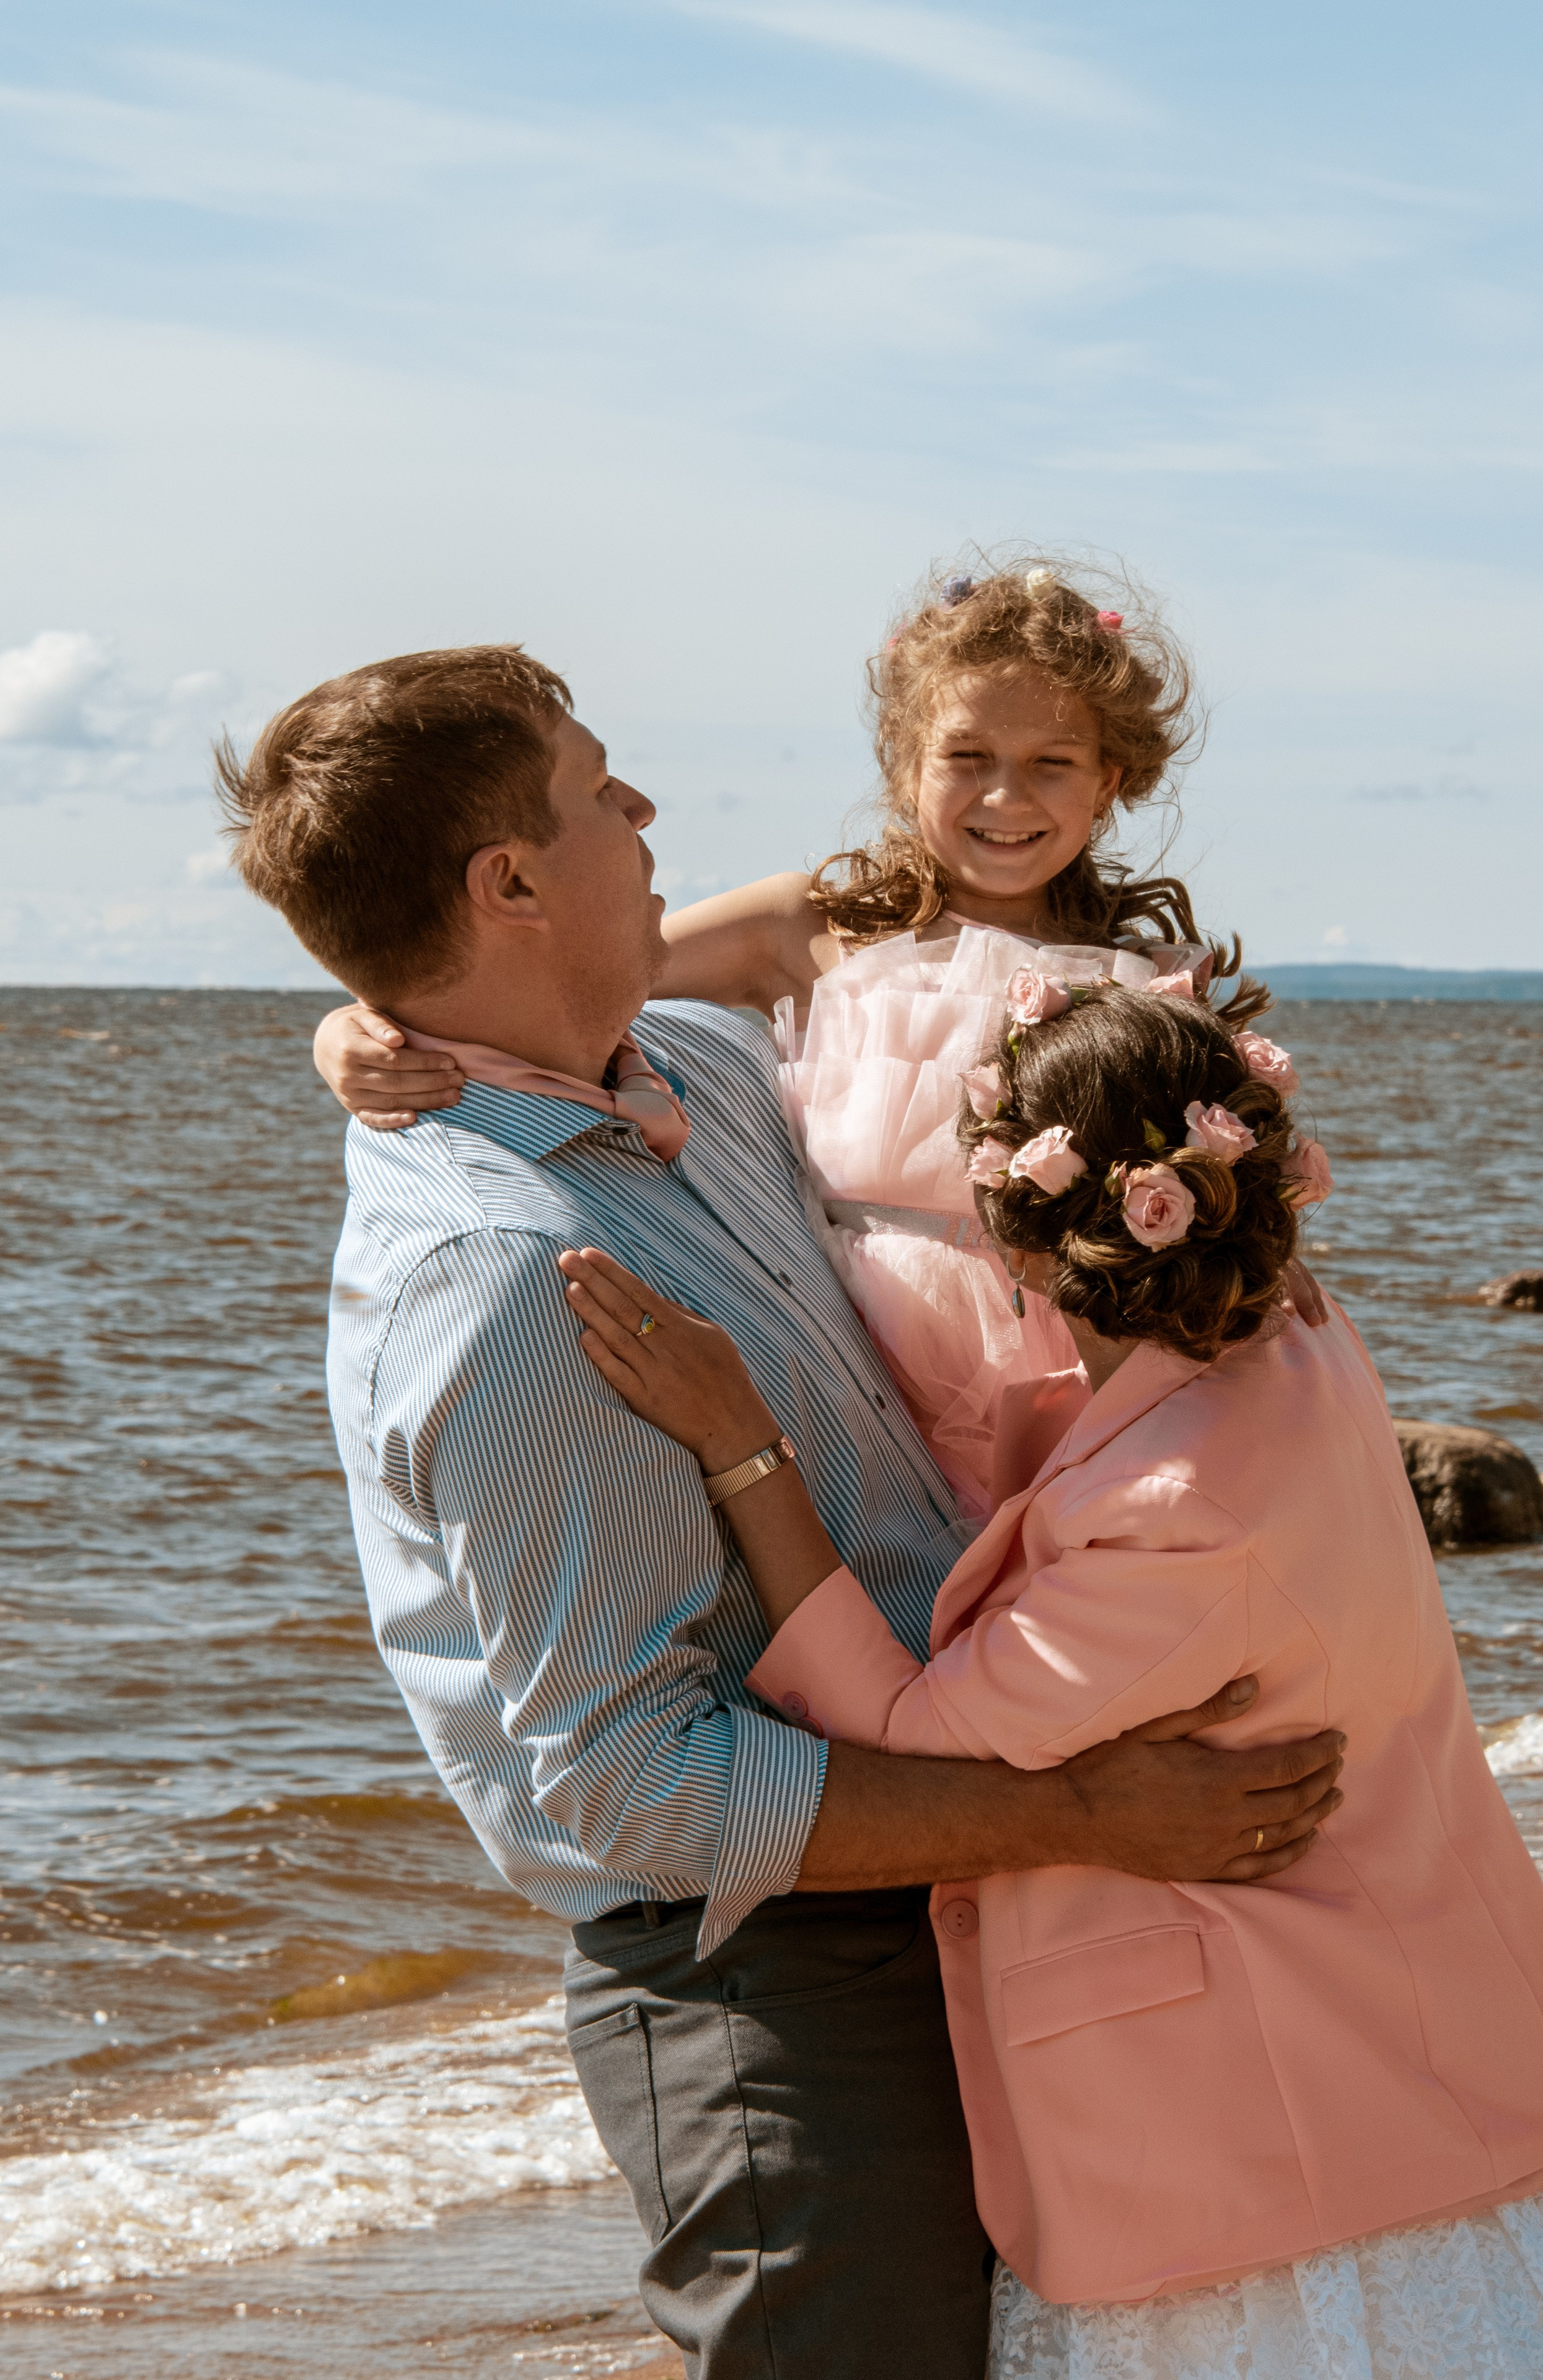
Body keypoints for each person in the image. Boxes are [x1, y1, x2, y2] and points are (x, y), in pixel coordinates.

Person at [216, 642, 1345, 2380]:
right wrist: (1083, 1813)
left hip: (956, 1874)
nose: (650, 809)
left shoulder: (701, 1076)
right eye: (602, 788)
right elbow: (637, 1786)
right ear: (511, 881)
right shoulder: (503, 1279)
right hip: (772, 1988)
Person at [564, 976, 1543, 2378]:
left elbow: (907, 1733)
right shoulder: (1304, 1341)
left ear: (1019, 1238)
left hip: (1271, 2139)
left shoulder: (1174, 1510)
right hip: (1432, 2054)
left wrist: (745, 1447)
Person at [309, 560, 1308, 1516]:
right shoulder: (809, 932)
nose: (1006, 798)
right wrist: (350, 1030)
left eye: (1052, 764)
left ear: (1108, 782)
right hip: (866, 1389)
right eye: (967, 759)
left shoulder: (1145, 988)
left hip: (1091, 1379)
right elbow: (545, 966)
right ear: (905, 762)